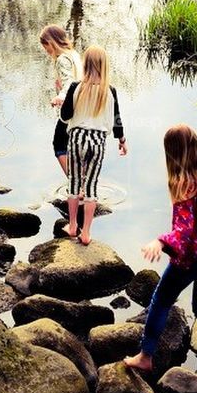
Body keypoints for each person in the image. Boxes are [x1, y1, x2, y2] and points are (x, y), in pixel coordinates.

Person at [124, 124, 197, 387]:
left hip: (191, 260)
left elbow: (183, 231)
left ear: (171, 154)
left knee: (161, 300)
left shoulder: (183, 183)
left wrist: (160, 241)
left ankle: (145, 356)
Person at [59, 44, 127, 245]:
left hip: (77, 137)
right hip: (97, 140)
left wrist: (62, 101)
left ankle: (72, 226)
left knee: (73, 182)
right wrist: (122, 141)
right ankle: (86, 232)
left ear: (85, 65)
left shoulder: (75, 87)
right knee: (91, 186)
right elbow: (117, 121)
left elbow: (65, 116)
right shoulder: (110, 91)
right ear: (104, 66)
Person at [39, 24, 83, 176]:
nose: (47, 52)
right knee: (75, 147)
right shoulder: (74, 55)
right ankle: (83, 183)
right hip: (82, 107)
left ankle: (75, 184)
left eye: (47, 48)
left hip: (69, 109)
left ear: (51, 43)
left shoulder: (62, 59)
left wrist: (60, 96)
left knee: (59, 145)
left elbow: (70, 82)